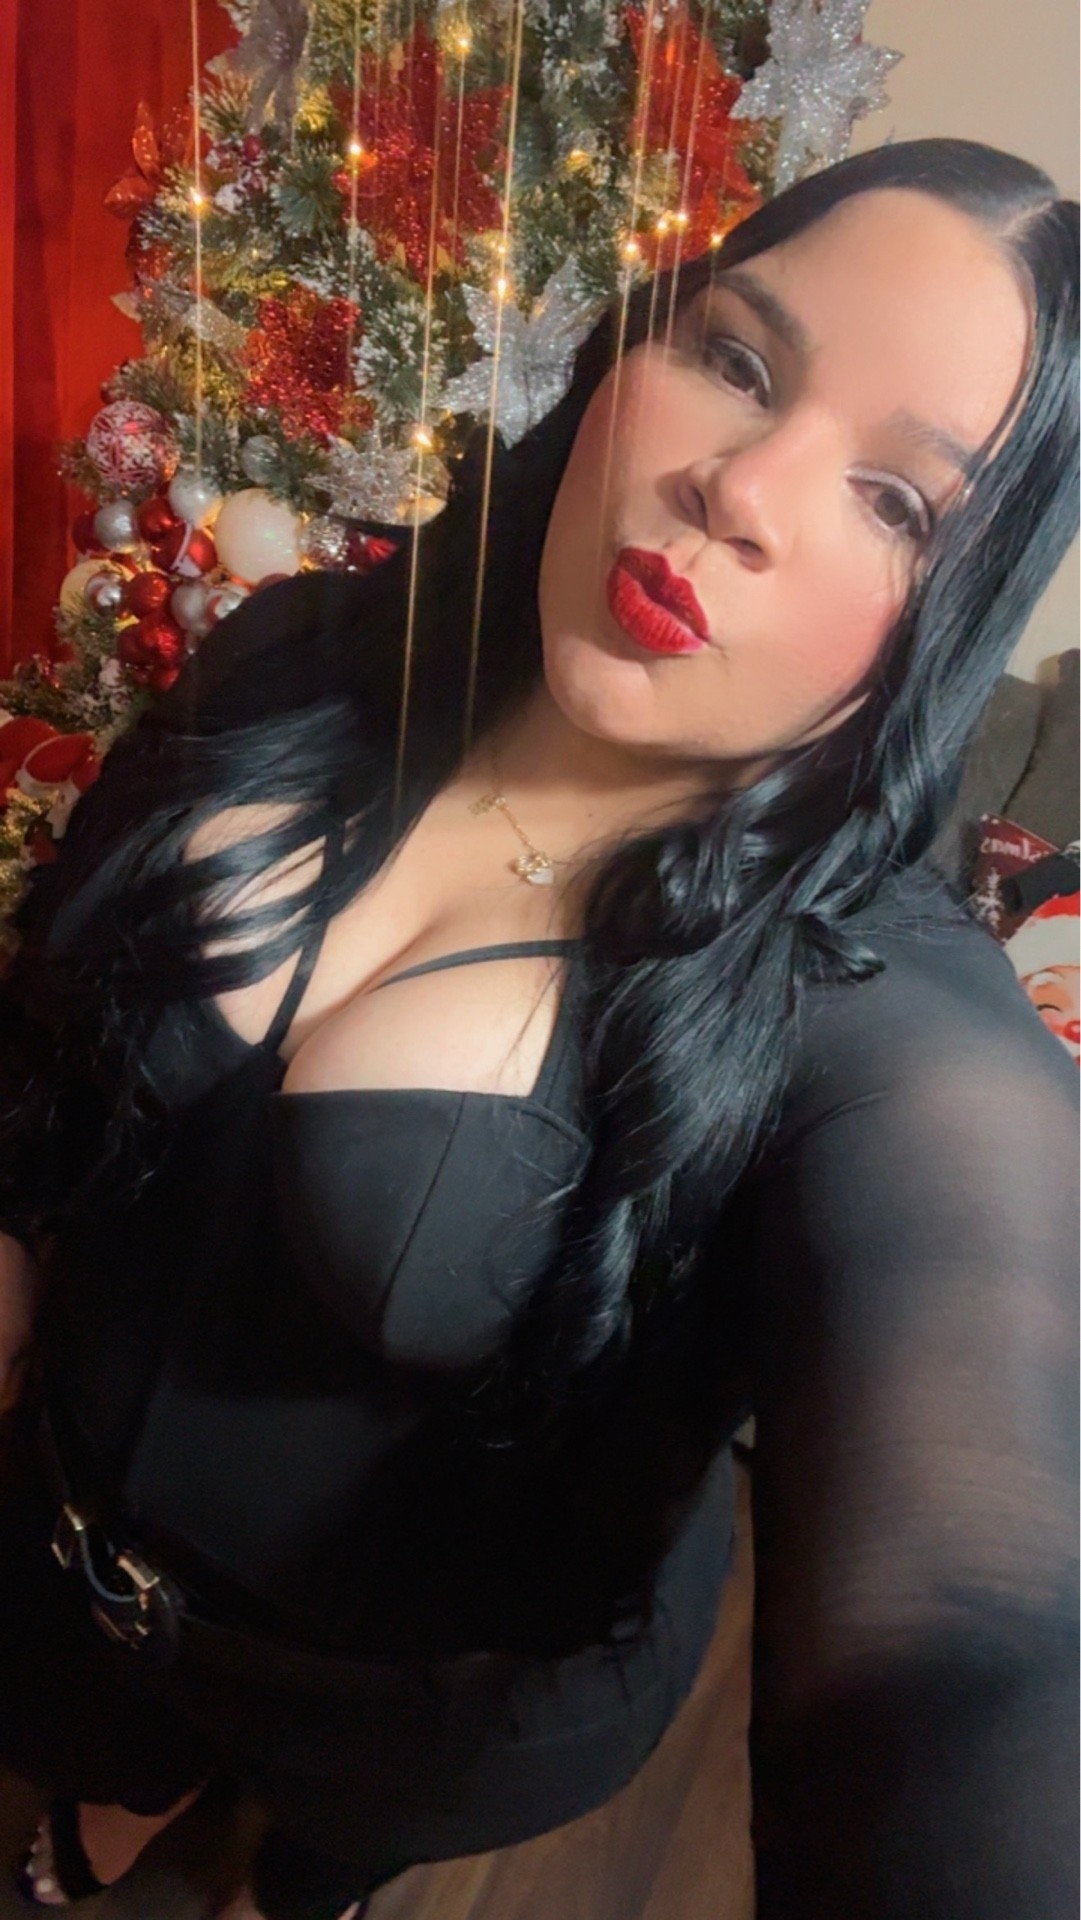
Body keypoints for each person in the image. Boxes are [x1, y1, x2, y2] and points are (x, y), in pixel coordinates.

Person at [0, 136, 1077, 1920]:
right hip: (55, 1555)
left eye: (896, 501)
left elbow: (973, 1625)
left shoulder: (857, 1016)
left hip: (410, 1722)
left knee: (310, 1867)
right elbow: (52, 1032)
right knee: (92, 1773)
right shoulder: (309, 649)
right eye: (737, 360)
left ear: (950, 617)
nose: (739, 486)